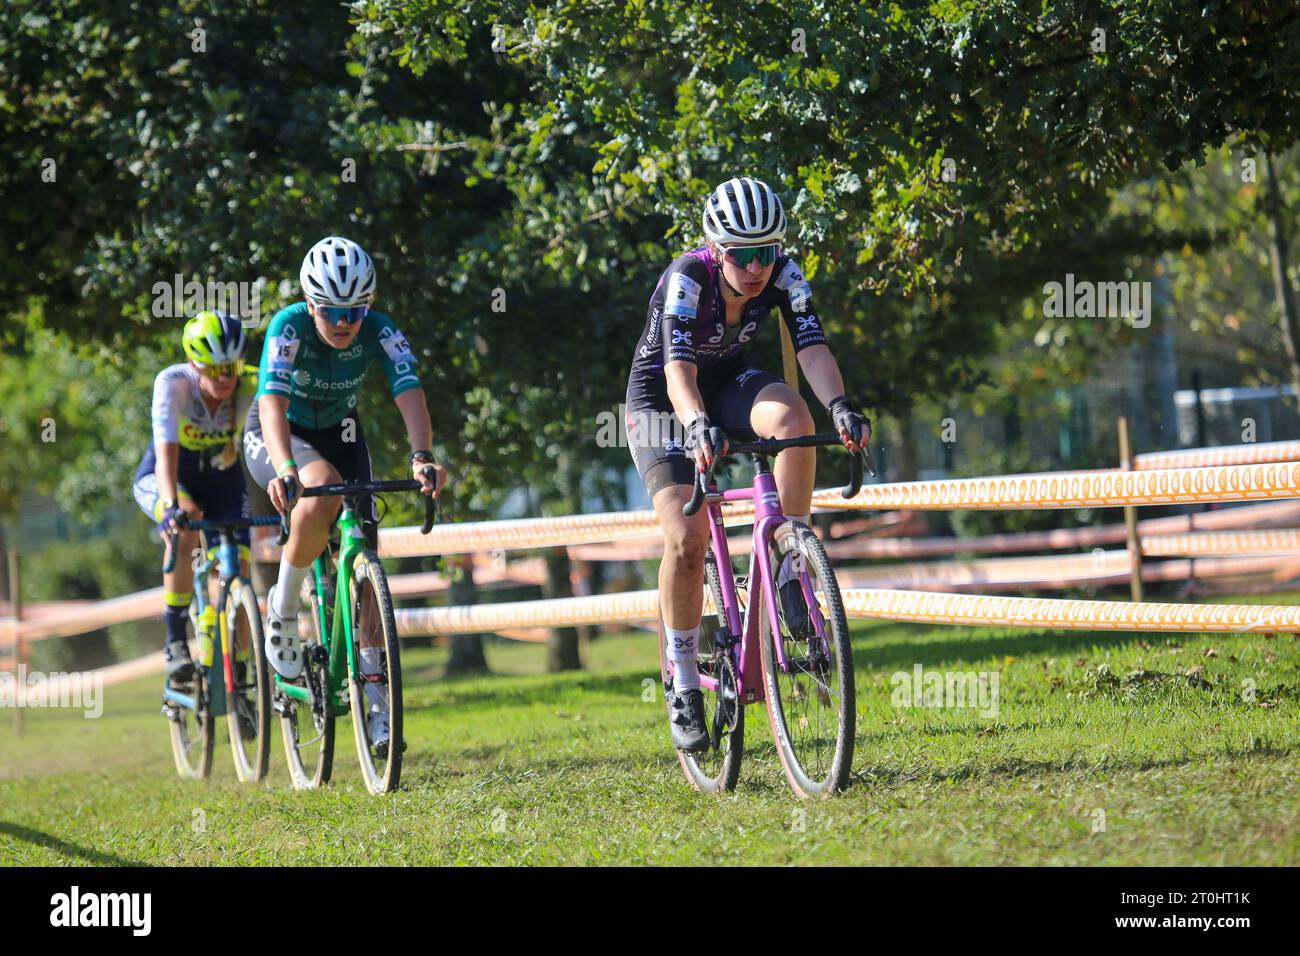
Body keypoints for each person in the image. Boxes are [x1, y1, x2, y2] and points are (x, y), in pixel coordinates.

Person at [625, 177, 871, 753]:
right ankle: (684, 680)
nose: (757, 267)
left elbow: (811, 346)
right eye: (743, 254)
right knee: (686, 538)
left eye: (768, 251)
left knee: (793, 418)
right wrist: (695, 426)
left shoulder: (785, 272)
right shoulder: (687, 279)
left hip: (728, 381)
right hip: (664, 401)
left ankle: (788, 562)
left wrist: (839, 405)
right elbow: (676, 372)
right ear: (716, 249)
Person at [242, 235, 445, 752]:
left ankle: (378, 709)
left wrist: (421, 456)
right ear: (311, 304)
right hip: (279, 429)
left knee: (365, 558)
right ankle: (282, 609)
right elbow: (270, 399)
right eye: (331, 310)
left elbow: (408, 389)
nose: (343, 322)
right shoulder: (287, 327)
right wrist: (286, 465)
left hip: (340, 429)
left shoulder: (381, 330)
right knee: (322, 486)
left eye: (355, 310)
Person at [132, 311, 257, 687]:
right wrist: (170, 506)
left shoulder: (251, 383)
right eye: (214, 368)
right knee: (184, 527)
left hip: (222, 475)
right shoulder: (172, 384)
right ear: (192, 363)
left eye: (231, 368)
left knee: (241, 565)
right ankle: (174, 640)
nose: (224, 378)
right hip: (169, 474)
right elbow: (165, 454)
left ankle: (245, 673)